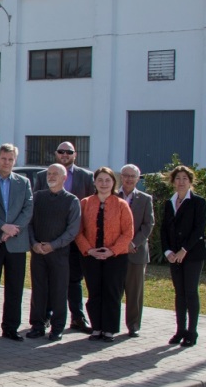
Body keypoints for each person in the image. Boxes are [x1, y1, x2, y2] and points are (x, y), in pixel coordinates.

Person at [74, 166, 134, 342]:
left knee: (112, 292)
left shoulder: (121, 204)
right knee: (95, 292)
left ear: (113, 182)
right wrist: (89, 249)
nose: (103, 183)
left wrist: (112, 251)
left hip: (115, 257)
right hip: (91, 256)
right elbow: (78, 231)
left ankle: (109, 329)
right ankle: (96, 327)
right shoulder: (85, 203)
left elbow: (128, 233)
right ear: (94, 182)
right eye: (100, 180)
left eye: (107, 180)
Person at [0, 144, 33, 341]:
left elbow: (28, 208)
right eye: (3, 158)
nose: (7, 162)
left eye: (10, 159)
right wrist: (2, 227)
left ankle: (11, 327)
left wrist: (12, 230)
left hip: (16, 243)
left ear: (15, 161)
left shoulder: (24, 182)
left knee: (15, 287)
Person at [27, 164, 82, 341]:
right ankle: (37, 325)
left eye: (55, 174)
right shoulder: (36, 197)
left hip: (59, 254)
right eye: (49, 174)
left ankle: (57, 327)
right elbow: (28, 223)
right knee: (38, 290)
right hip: (38, 252)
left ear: (64, 178)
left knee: (59, 291)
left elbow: (72, 230)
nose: (51, 177)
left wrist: (53, 245)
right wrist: (34, 244)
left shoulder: (72, 201)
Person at [161, 165, 206, 347]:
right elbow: (164, 229)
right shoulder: (169, 203)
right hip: (174, 256)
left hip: (192, 254)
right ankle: (180, 330)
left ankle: (191, 332)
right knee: (179, 293)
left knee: (190, 292)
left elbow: (199, 229)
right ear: (173, 182)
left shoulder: (198, 202)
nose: (181, 182)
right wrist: (168, 252)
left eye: (184, 179)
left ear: (190, 182)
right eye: (178, 179)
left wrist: (184, 250)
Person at [55, 140, 95, 332]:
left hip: (77, 237)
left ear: (75, 154)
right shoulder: (47, 175)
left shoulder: (87, 177)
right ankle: (48, 317)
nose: (65, 155)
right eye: (61, 151)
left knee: (74, 279)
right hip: (52, 238)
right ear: (56, 154)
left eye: (68, 152)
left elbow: (91, 208)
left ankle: (77, 317)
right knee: (51, 278)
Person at [119, 164, 155, 337]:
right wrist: (119, 244)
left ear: (138, 179)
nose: (129, 179)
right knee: (113, 291)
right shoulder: (112, 196)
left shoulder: (145, 199)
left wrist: (133, 243)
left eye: (133, 176)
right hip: (115, 252)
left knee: (135, 293)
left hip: (136, 252)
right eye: (126, 175)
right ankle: (109, 325)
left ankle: (133, 326)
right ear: (121, 177)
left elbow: (149, 225)